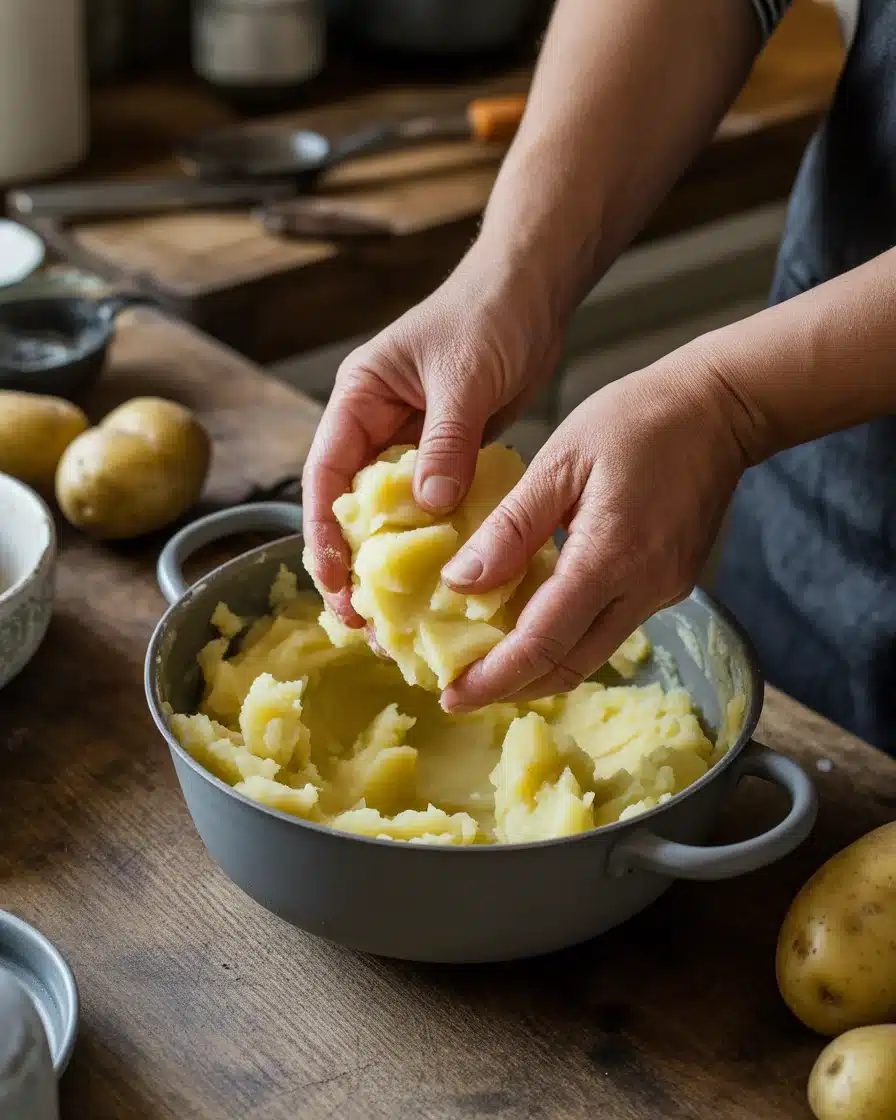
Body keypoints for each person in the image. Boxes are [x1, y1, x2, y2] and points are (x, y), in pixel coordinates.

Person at [303, 0, 896, 754]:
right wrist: (509, 275)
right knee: (804, 749)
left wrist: (730, 404)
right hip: (823, 485)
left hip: (804, 375)